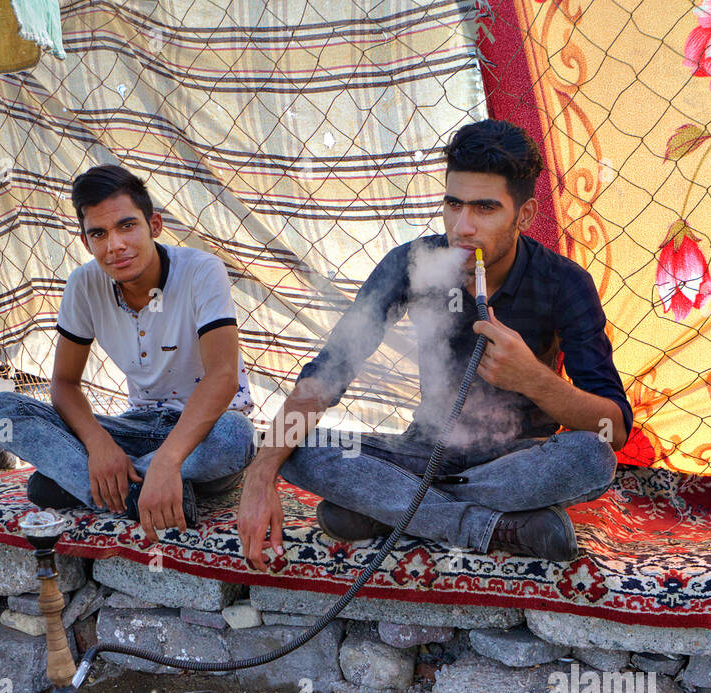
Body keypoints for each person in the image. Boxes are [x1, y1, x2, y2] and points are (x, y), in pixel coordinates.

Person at [238, 119, 633, 570]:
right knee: (298, 446)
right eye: (453, 204)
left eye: (485, 208)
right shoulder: (412, 264)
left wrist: (533, 379)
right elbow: (331, 370)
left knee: (590, 456)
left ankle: (390, 509)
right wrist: (260, 473)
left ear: (524, 216)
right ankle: (493, 526)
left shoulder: (564, 283)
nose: (462, 228)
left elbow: (613, 429)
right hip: (421, 452)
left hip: (517, 462)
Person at [0, 164, 256, 542]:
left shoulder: (201, 271)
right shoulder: (84, 284)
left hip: (204, 433)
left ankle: (94, 485)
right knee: (2, 412)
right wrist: (99, 446)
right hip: (136, 429)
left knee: (236, 436)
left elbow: (223, 377)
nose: (115, 246)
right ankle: (137, 493)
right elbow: (63, 383)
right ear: (86, 242)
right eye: (99, 233)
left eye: (127, 226)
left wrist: (168, 459)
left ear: (154, 225)